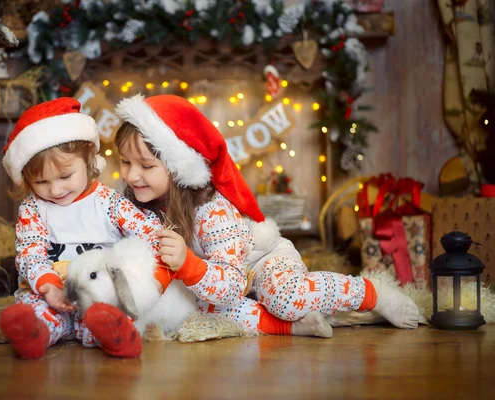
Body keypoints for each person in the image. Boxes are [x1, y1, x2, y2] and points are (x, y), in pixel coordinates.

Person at [113, 94, 420, 334]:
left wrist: (188, 264)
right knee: (199, 311)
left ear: (178, 166)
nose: (132, 175)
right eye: (125, 162)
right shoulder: (140, 203)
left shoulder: (211, 209)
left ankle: (370, 293)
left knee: (283, 298)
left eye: (147, 166)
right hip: (210, 281)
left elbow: (233, 284)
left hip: (259, 261)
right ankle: (290, 329)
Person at [0, 97, 170, 359]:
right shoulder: (33, 208)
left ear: (88, 160)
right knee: (37, 310)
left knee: (104, 314)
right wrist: (48, 286)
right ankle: (34, 333)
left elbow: (148, 233)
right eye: (41, 181)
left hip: (97, 291)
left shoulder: (109, 203)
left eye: (65, 176)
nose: (55, 190)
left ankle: (112, 334)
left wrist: (133, 272)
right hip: (53, 292)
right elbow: (30, 254)